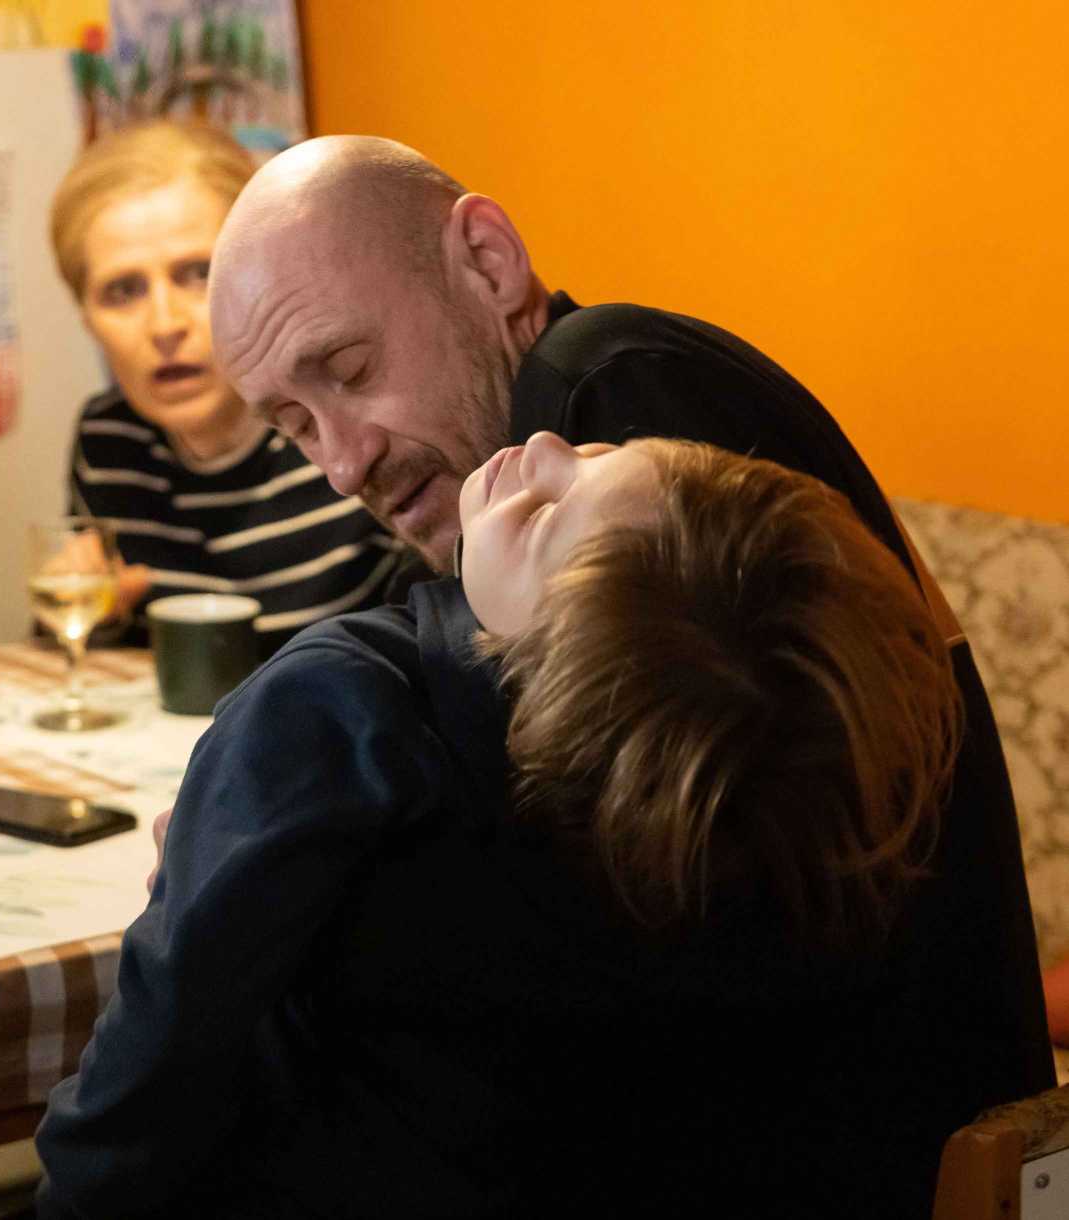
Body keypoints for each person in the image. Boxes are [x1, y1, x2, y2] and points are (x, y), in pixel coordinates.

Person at [204, 133, 1049, 1178]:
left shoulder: (613, 393)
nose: (341, 463)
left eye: (350, 370)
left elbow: (661, 903)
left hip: (862, 1142)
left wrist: (255, 856)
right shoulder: (497, 506)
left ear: (488, 262)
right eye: (294, 425)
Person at [35, 435, 963, 1216]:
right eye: (605, 449)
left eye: (547, 516)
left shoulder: (339, 704)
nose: (542, 448)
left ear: (553, 664)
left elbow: (156, 1056)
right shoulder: (771, 792)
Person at [48, 120, 414, 653]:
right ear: (86, 318)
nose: (164, 325)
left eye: (199, 273)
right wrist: (100, 612)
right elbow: (102, 664)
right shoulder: (109, 440)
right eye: (123, 291)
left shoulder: (351, 424)